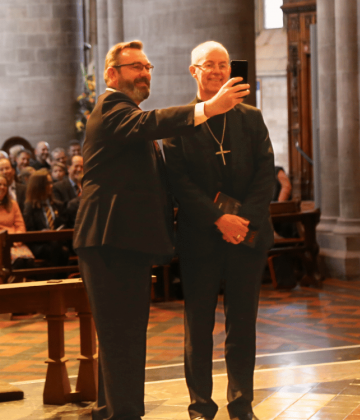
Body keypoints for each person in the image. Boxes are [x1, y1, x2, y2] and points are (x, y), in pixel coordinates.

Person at [73, 40, 248, 420]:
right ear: (111, 75)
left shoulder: (126, 114)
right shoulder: (111, 107)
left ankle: (110, 412)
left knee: (121, 336)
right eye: (135, 66)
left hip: (122, 241)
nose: (145, 72)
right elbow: (151, 123)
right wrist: (208, 108)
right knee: (124, 337)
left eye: (148, 66)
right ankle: (124, 414)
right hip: (110, 239)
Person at [163, 41, 275, 420]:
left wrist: (243, 221)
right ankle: (200, 406)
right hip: (201, 237)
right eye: (208, 65)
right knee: (199, 324)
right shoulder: (179, 121)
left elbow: (266, 173)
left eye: (223, 64)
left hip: (248, 235)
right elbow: (178, 181)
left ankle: (241, 403)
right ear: (193, 71)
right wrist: (219, 218)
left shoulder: (251, 117)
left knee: (243, 322)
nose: (217, 70)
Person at [24, 169, 69, 267]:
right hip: (39, 244)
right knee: (58, 249)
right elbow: (29, 230)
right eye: (48, 183)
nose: (51, 186)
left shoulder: (57, 205)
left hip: (57, 242)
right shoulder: (30, 207)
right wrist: (42, 233)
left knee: (62, 248)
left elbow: (64, 224)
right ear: (39, 186)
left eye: (51, 183)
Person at [52, 155, 83, 229]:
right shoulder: (58, 187)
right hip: (69, 230)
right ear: (68, 168)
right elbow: (62, 213)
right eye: (76, 166)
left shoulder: (87, 187)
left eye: (82, 167)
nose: (79, 169)